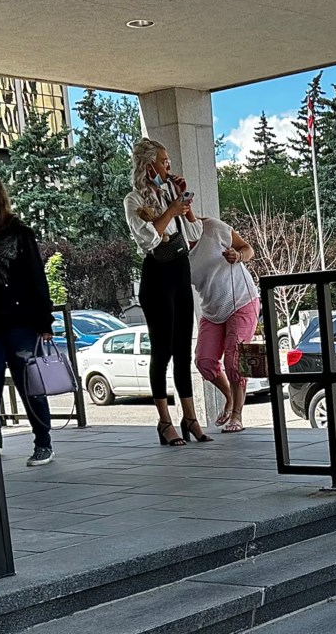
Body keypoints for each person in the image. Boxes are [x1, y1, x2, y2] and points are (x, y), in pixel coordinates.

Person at [124, 138, 213, 446]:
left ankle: (190, 417)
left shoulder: (170, 194)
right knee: (162, 352)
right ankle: (164, 421)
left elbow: (194, 233)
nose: (168, 167)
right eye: (163, 162)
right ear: (149, 166)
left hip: (179, 269)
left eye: (169, 162)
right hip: (157, 275)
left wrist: (183, 206)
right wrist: (171, 211)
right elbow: (149, 240)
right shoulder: (134, 200)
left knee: (182, 352)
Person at [0, 168, 55, 466]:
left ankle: (43, 442)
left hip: (19, 321)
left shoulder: (17, 232)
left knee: (28, 383)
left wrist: (45, 322)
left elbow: (36, 279)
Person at [190, 217, 259, 433]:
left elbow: (248, 249)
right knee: (204, 361)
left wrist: (239, 256)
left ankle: (237, 415)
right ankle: (229, 395)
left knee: (235, 359)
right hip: (212, 309)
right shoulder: (174, 248)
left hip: (241, 300)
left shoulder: (212, 228)